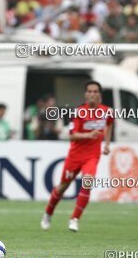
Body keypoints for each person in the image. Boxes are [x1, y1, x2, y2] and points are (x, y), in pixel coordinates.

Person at [41, 81, 114, 232]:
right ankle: (48, 214)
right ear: (86, 94)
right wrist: (90, 134)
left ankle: (75, 218)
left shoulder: (107, 111)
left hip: (92, 156)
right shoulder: (79, 112)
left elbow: (109, 125)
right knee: (62, 187)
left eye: (95, 91)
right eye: (90, 91)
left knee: (87, 183)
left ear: (100, 94)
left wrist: (107, 144)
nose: (92, 94)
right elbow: (72, 136)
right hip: (75, 156)